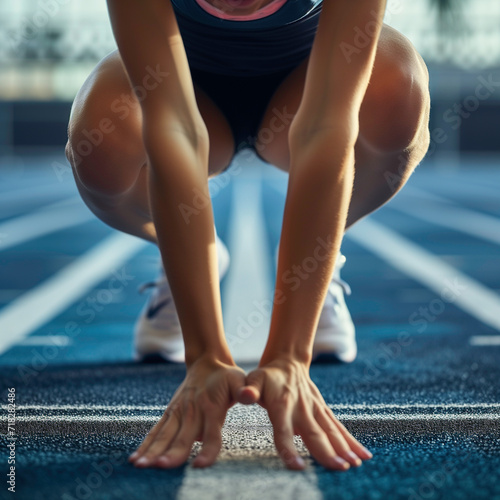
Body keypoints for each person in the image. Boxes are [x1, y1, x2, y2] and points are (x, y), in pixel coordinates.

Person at [65, 0, 430, 471]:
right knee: (99, 136)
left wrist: (289, 356)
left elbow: (325, 126)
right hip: (187, 88)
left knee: (399, 83)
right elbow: (174, 126)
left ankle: (320, 267)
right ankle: (190, 258)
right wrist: (206, 356)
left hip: (305, 82)